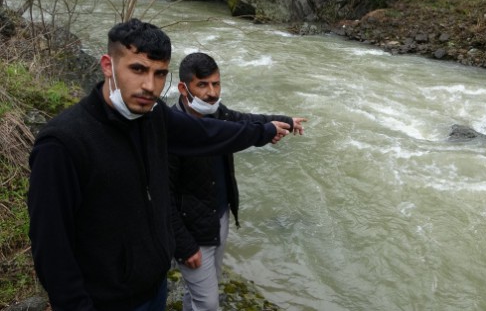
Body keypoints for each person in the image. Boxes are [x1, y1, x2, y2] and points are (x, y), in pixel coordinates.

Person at [27, 19, 291, 311]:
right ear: (107, 65)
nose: (149, 86)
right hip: (106, 301)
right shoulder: (63, 143)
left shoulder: (154, 117)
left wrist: (264, 131)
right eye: (137, 69)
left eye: (159, 74)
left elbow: (207, 133)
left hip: (155, 288)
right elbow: (51, 248)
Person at [169, 52, 306, 311]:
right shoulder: (172, 129)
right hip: (191, 229)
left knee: (202, 291)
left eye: (216, 84)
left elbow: (243, 121)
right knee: (208, 303)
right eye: (202, 85)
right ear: (183, 88)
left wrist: (285, 122)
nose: (212, 92)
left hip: (218, 217)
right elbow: (163, 197)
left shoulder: (217, 112)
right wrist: (184, 245)